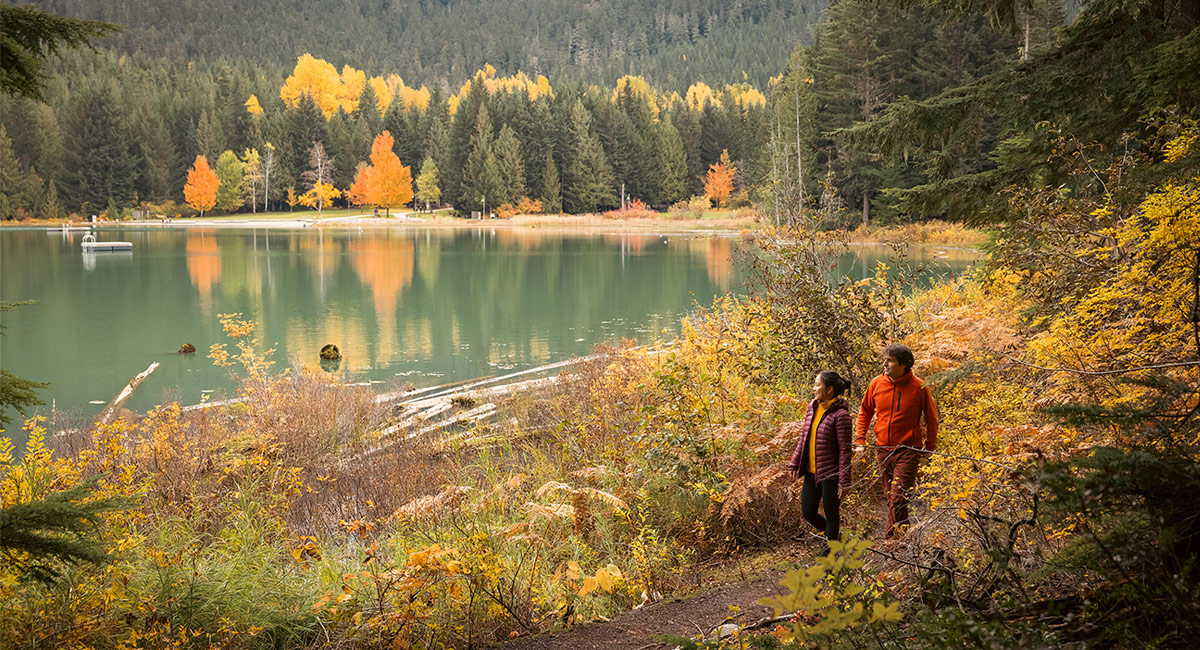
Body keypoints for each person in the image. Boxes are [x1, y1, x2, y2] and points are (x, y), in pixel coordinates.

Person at [855, 343, 939, 539]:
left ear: (904, 365)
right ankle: (904, 537)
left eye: (890, 361)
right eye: (885, 360)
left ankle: (892, 541)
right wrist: (860, 440)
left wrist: (930, 446)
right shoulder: (876, 383)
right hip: (883, 448)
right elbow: (865, 412)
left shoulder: (919, 387)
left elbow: (931, 417)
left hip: (908, 449)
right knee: (890, 497)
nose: (885, 364)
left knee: (899, 497)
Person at [787, 370, 854, 555]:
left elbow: (845, 451)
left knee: (832, 515)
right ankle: (835, 537)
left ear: (830, 390)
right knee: (808, 512)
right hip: (811, 471)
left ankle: (828, 560)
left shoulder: (841, 416)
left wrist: (844, 481)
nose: (814, 388)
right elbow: (804, 437)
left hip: (830, 473)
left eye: (818, 384)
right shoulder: (813, 407)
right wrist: (794, 462)